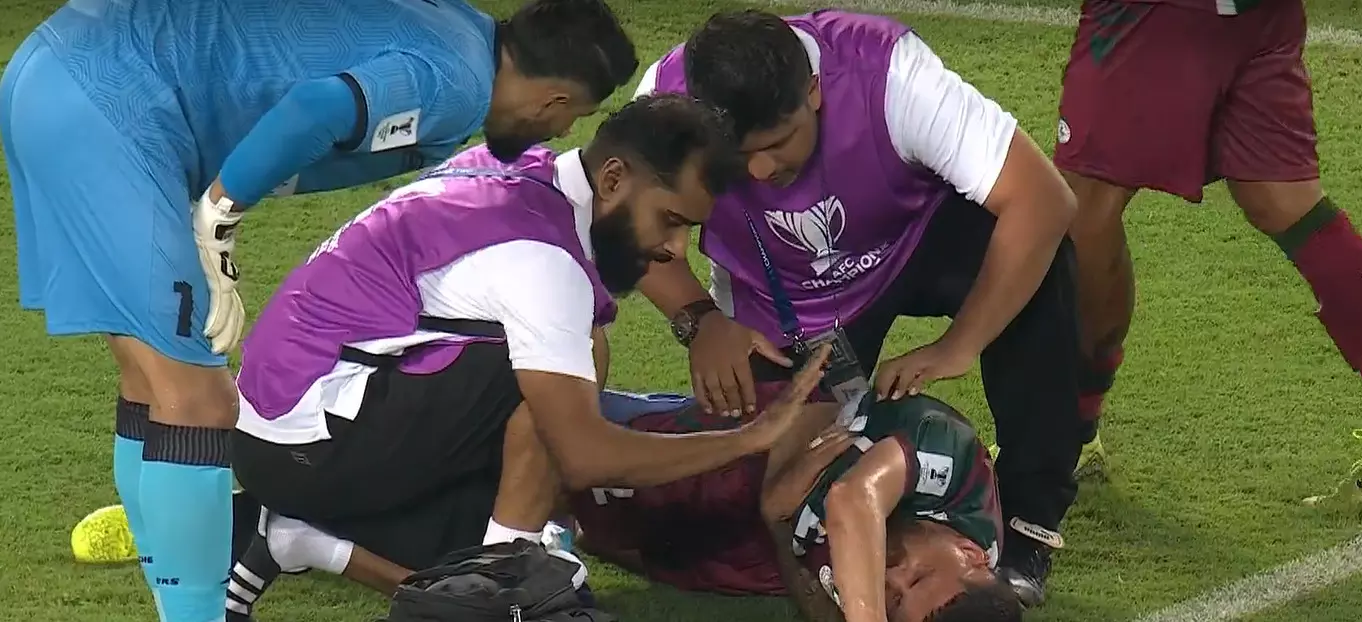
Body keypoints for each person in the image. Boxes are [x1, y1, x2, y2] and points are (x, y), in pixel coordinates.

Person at [1, 0, 635, 618]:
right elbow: (315, 109)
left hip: (61, 73)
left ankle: (184, 600)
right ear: (555, 98)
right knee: (196, 402)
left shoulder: (459, 28)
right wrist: (219, 219)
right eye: (572, 115)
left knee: (148, 385)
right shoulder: (461, 82)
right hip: (111, 105)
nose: (562, 132)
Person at [219, 94, 834, 620]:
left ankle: (301, 538)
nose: (675, 250)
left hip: (297, 416)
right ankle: (500, 579)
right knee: (564, 376)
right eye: (670, 221)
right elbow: (585, 455)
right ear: (613, 179)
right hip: (309, 443)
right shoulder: (545, 263)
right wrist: (749, 440)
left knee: (531, 521)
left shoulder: (521, 170)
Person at [632, 9, 1082, 606]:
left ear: (814, 90)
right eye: (739, 156)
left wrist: (961, 344)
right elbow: (626, 225)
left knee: (1041, 268)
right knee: (759, 494)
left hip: (915, 241)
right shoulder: (665, 104)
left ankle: (1028, 520)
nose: (761, 170)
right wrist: (701, 320)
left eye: (777, 143)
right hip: (783, 300)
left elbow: (1043, 200)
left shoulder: (888, 75)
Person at [1053, 0, 1362, 500]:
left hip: (1163, 13)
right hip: (1260, 15)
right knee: (1286, 200)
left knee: (1083, 206)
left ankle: (1068, 435)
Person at [558, 390, 1023, 622]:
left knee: (610, 538)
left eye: (895, 601)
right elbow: (852, 499)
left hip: (758, 549)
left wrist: (777, 525)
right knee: (567, 442)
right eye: (918, 576)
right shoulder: (955, 464)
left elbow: (822, 607)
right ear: (971, 554)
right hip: (750, 454)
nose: (891, 577)